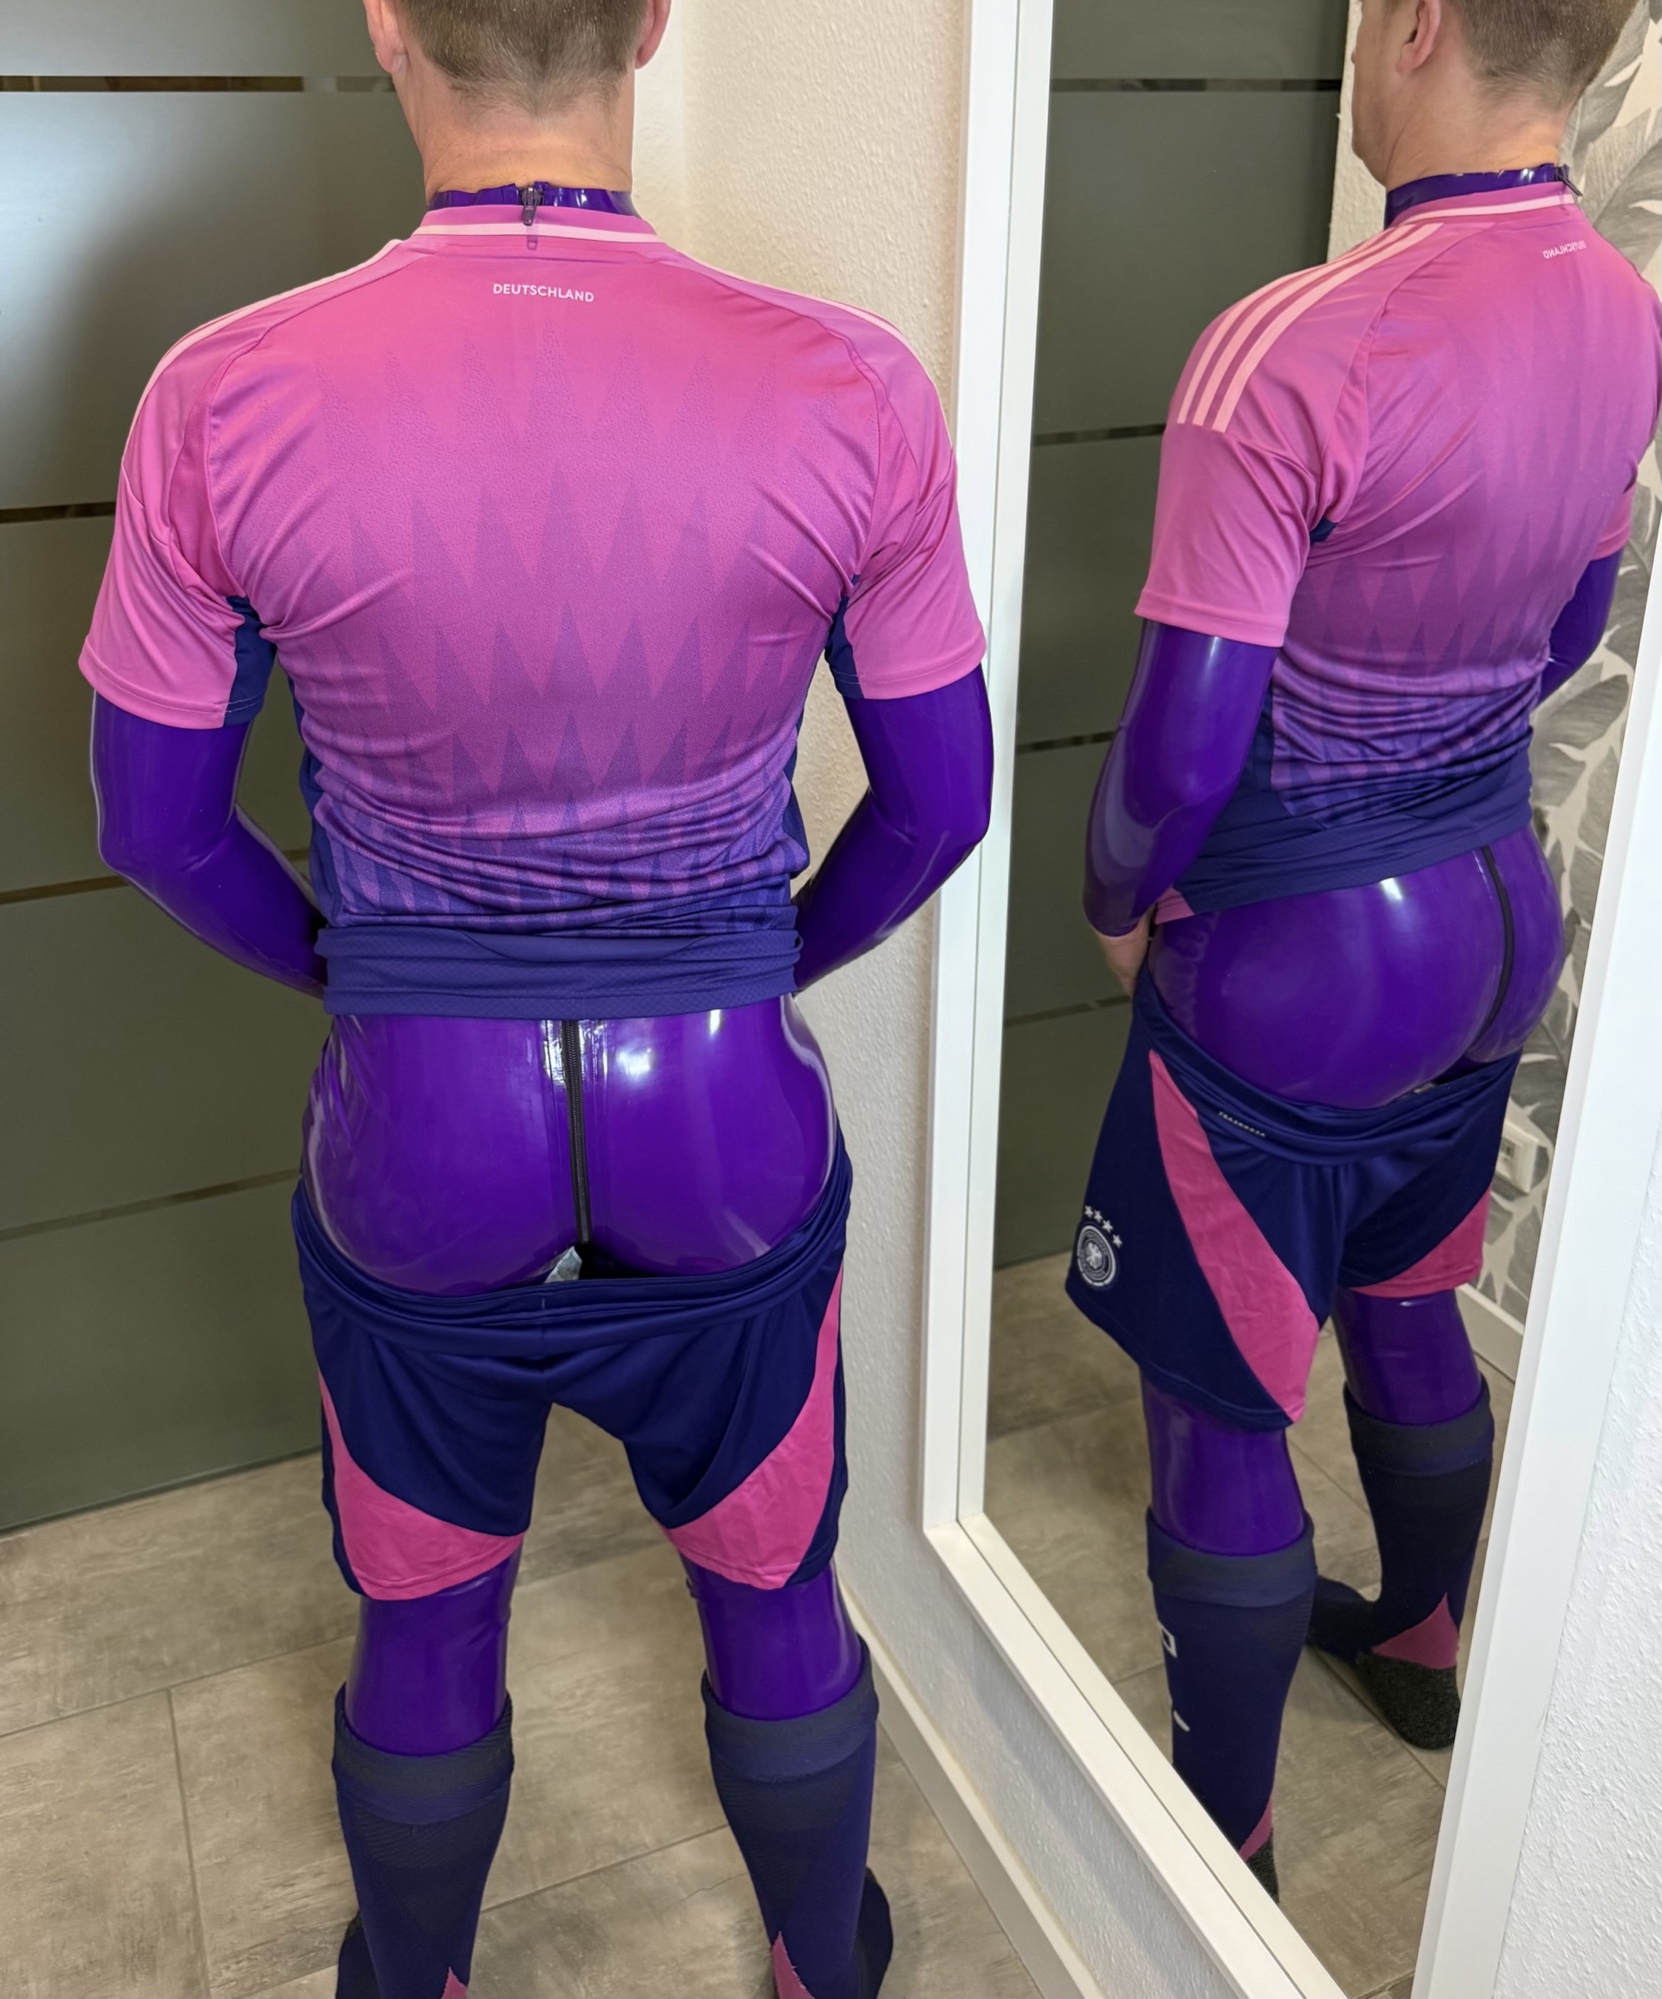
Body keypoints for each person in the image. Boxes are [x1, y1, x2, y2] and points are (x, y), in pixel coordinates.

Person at [81, 1, 992, 1992]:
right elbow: (942, 804)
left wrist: (366, 974)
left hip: (425, 1135)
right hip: (722, 1117)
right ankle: (821, 1962)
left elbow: (153, 823)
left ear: (385, 18)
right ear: (653, 21)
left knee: (422, 1625)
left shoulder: (219, 395)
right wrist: (755, 964)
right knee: (776, 1592)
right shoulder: (852, 387)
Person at [1066, 0, 1658, 1899]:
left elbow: (1179, 749)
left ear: (1413, 25)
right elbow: (1565, 628)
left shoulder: (1297, 339)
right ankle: (1420, 1636)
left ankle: (1220, 1849)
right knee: (1408, 1302)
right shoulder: (1620, 304)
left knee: (1220, 1391)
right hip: (1488, 916)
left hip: (1300, 955)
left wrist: (1114, 901)